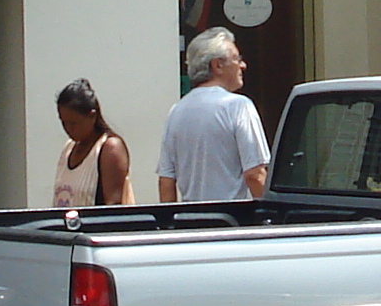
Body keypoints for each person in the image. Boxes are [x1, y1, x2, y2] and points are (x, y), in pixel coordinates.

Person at [158, 28, 269, 203]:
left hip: (189, 222)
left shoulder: (176, 111)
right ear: (217, 65)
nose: (243, 65)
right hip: (232, 222)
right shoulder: (239, 106)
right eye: (236, 59)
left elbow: (166, 181)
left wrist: (169, 226)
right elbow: (255, 175)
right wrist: (274, 217)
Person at [52, 79, 132, 208]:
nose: (68, 129)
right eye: (63, 123)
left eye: (73, 123)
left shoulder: (109, 149)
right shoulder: (68, 148)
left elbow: (114, 206)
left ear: (92, 116)